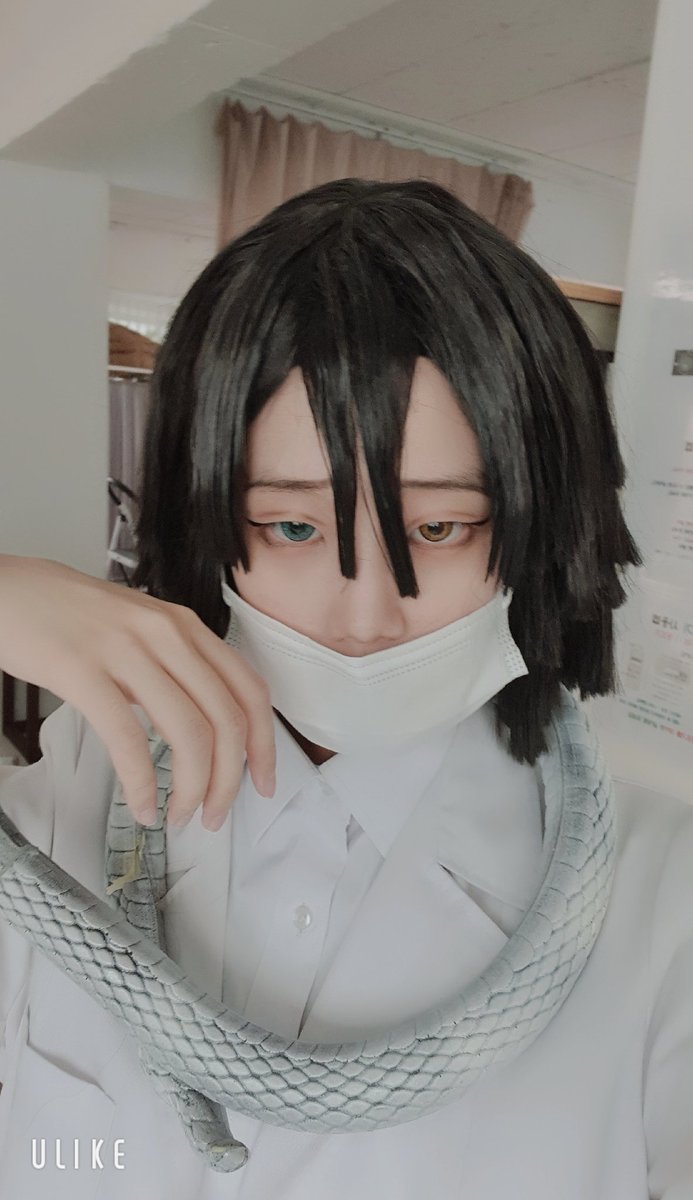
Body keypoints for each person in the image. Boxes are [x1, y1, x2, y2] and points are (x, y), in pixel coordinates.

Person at [0, 177, 691, 1199]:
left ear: (540, 523)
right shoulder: (81, 780)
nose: (364, 618)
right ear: (205, 514)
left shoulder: (665, 898)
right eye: (292, 527)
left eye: (439, 528)